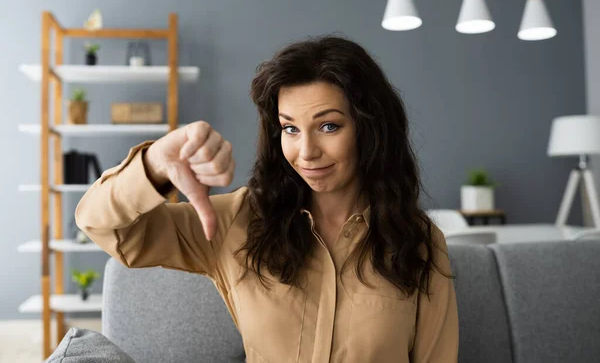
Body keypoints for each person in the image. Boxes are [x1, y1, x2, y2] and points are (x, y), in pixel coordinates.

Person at [75, 35, 459, 363]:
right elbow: (100, 224)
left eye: (329, 126)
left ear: (370, 129)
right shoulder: (235, 221)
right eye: (290, 128)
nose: (306, 151)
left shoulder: (420, 242)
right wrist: (155, 163)